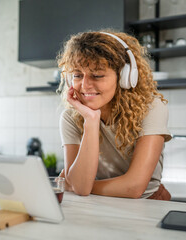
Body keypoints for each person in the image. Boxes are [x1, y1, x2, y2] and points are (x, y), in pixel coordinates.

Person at [57, 30, 172, 200]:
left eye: (97, 75)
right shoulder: (71, 117)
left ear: (125, 77)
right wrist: (91, 120)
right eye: (77, 75)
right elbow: (79, 186)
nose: (84, 85)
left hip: (148, 204)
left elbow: (133, 188)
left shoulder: (151, 108)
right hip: (100, 204)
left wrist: (79, 185)